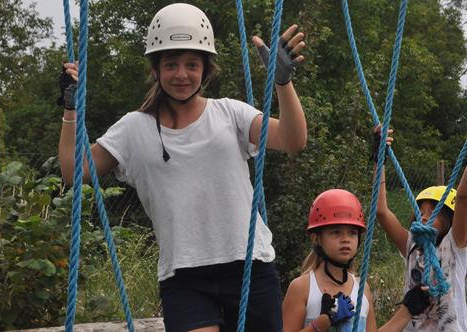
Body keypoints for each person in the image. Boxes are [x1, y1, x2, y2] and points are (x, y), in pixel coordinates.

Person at [58, 3, 307, 332]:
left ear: (206, 68)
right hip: (184, 278)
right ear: (156, 68)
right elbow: (75, 171)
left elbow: (292, 140)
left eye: (192, 64)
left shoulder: (230, 113)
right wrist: (70, 109)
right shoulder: (134, 128)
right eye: (171, 64)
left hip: (249, 267)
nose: (181, 74)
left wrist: (283, 84)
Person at [281, 189, 431, 332]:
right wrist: (324, 322)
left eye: (352, 232)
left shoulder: (361, 287)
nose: (345, 239)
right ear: (316, 239)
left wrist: (408, 309)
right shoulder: (302, 287)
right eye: (335, 232)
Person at [372, 124, 467, 332]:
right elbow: (381, 211)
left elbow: (462, 197)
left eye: (433, 210)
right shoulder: (411, 245)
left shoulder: (456, 245)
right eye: (420, 211)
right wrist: (379, 160)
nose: (424, 216)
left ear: (449, 216)